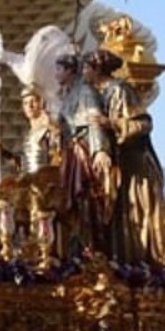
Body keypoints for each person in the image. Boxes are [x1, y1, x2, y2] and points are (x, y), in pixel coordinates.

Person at [83, 48, 165, 264]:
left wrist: (111, 123)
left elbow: (144, 124)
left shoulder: (120, 89)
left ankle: (145, 263)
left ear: (96, 69)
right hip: (117, 167)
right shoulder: (96, 95)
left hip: (136, 166)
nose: (83, 72)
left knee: (138, 215)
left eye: (86, 67)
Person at [54, 53, 112, 255]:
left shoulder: (85, 91)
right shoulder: (68, 93)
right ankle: (77, 245)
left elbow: (94, 120)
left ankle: (89, 247)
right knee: (72, 200)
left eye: (59, 69)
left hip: (83, 151)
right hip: (71, 152)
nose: (55, 74)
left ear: (70, 70)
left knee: (85, 196)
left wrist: (100, 150)